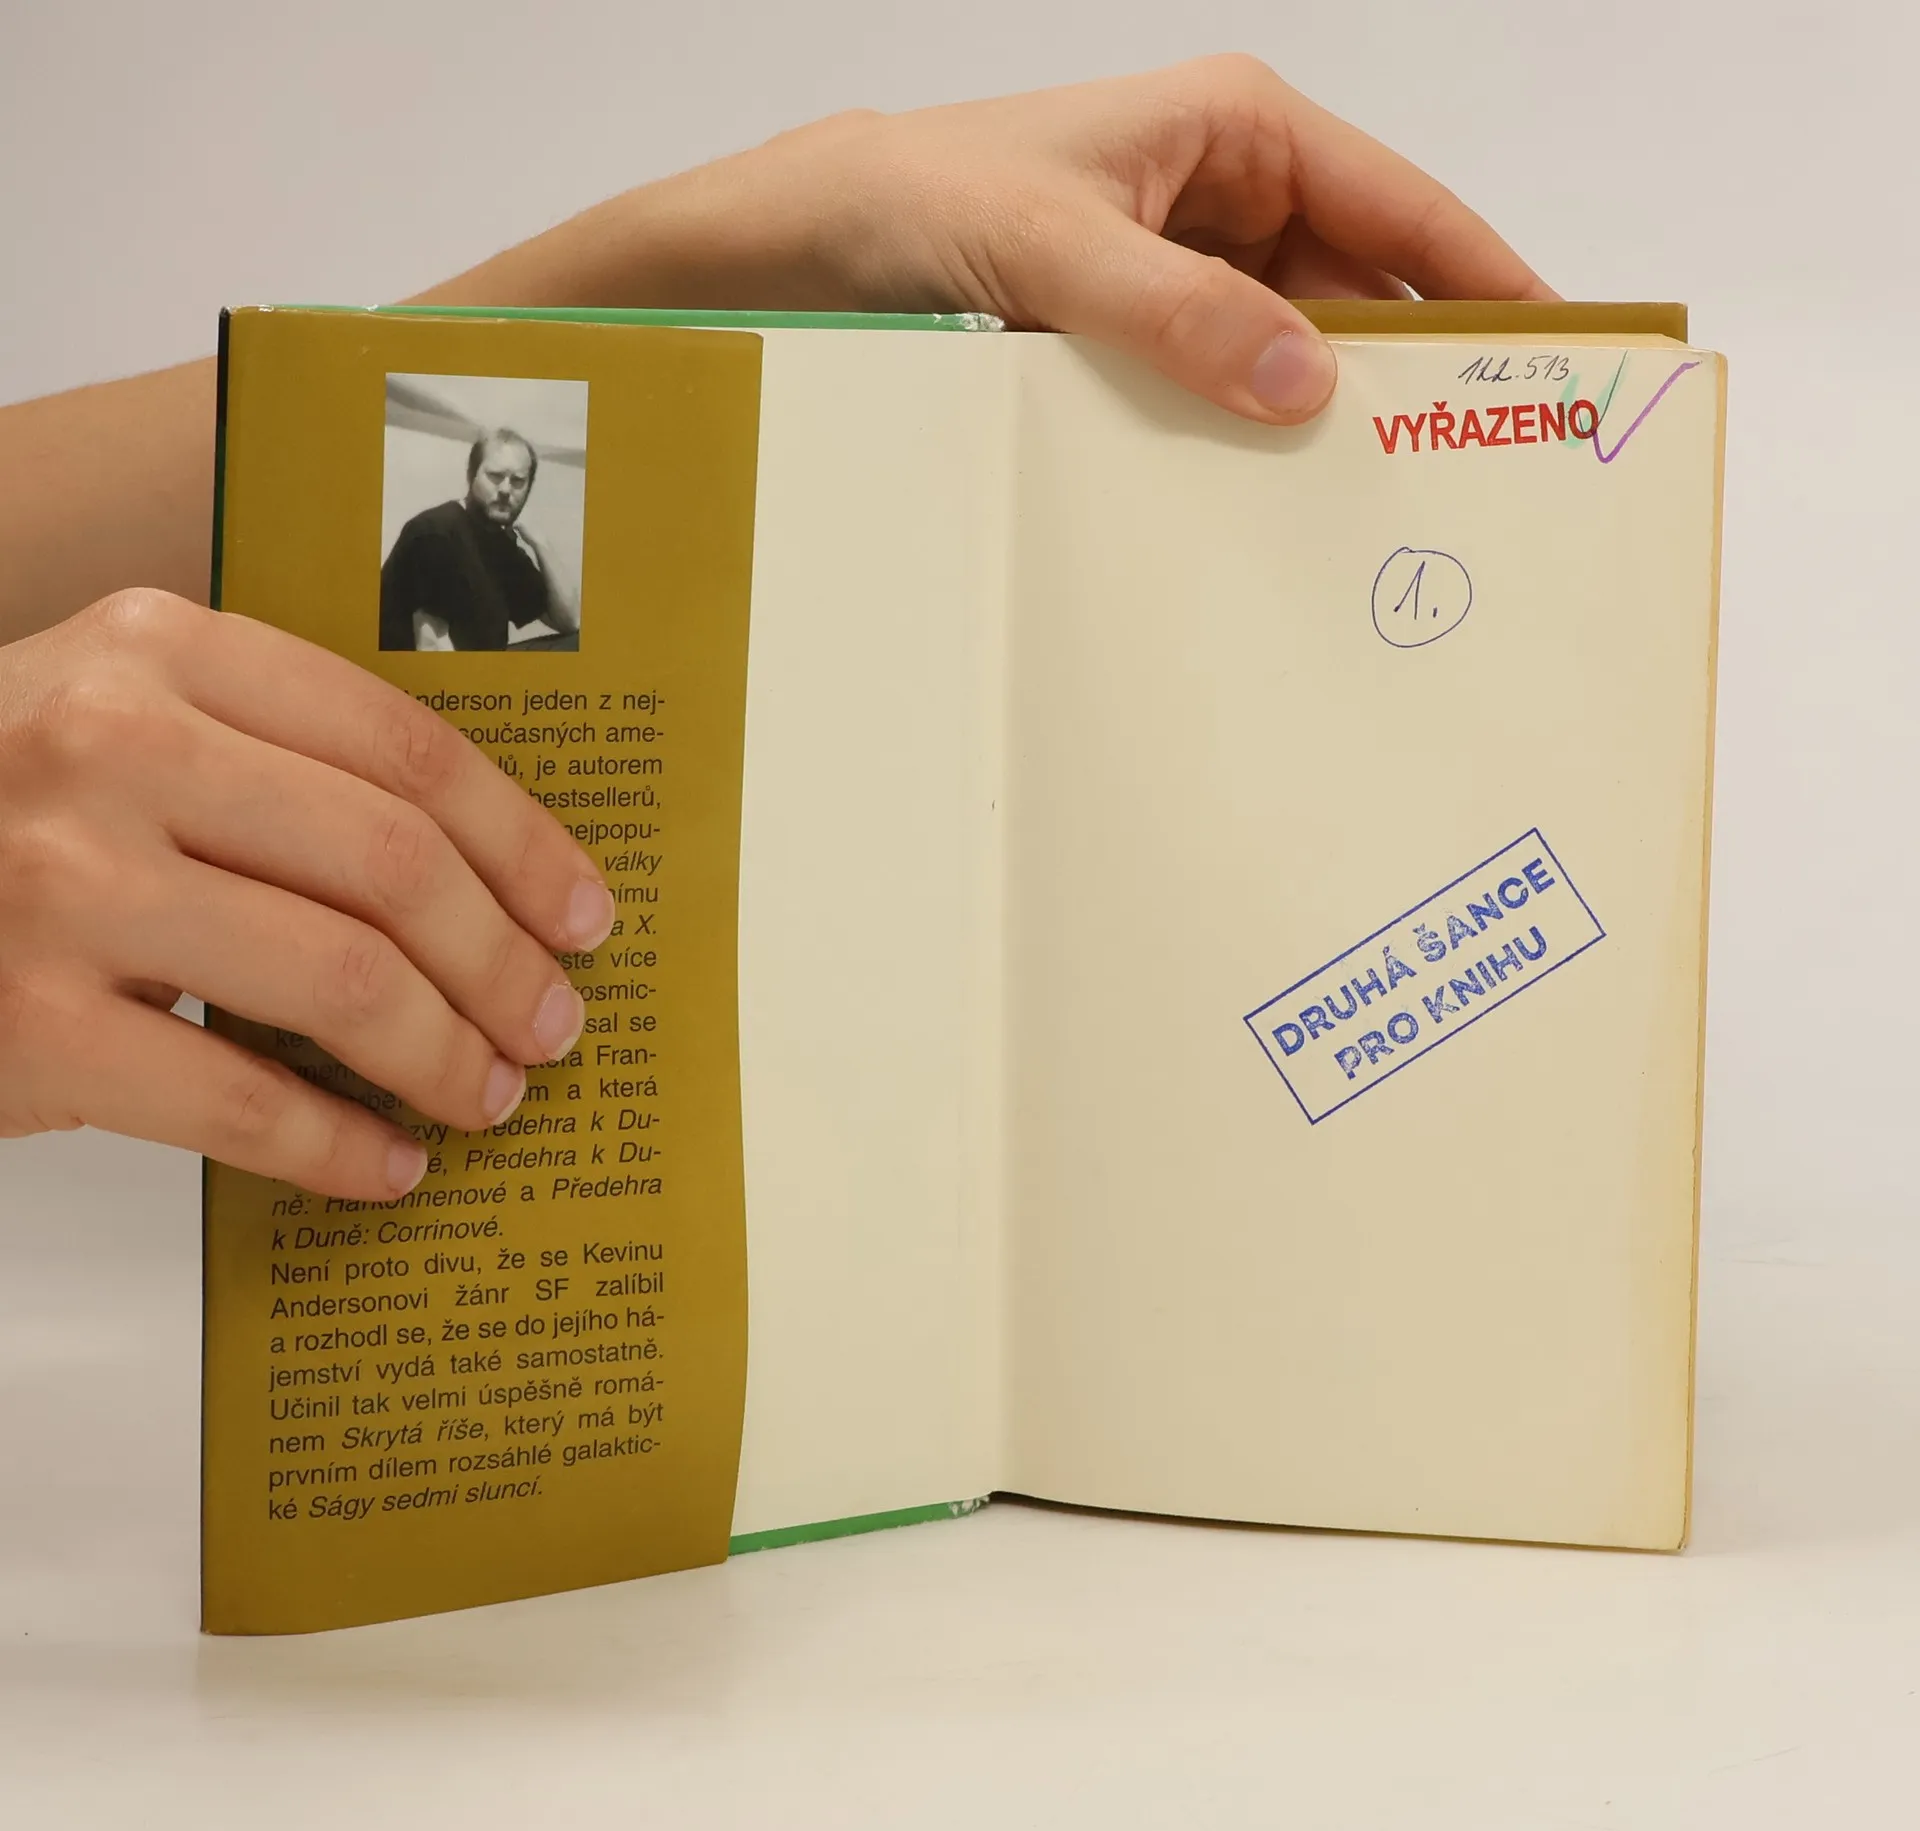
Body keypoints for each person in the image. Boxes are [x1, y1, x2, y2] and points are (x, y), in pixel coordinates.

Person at [0, 56, 1555, 1205]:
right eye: (493, 470)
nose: (502, 488)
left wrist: (693, 262)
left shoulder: (516, 547)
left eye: (518, 471)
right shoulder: (445, 541)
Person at [379, 429, 580, 652]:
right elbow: (431, 647)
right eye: (495, 476)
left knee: (579, 643)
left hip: (481, 665)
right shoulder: (436, 533)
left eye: (517, 481)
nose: (505, 489)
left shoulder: (500, 543)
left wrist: (540, 541)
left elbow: (569, 621)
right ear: (471, 475)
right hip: (419, 669)